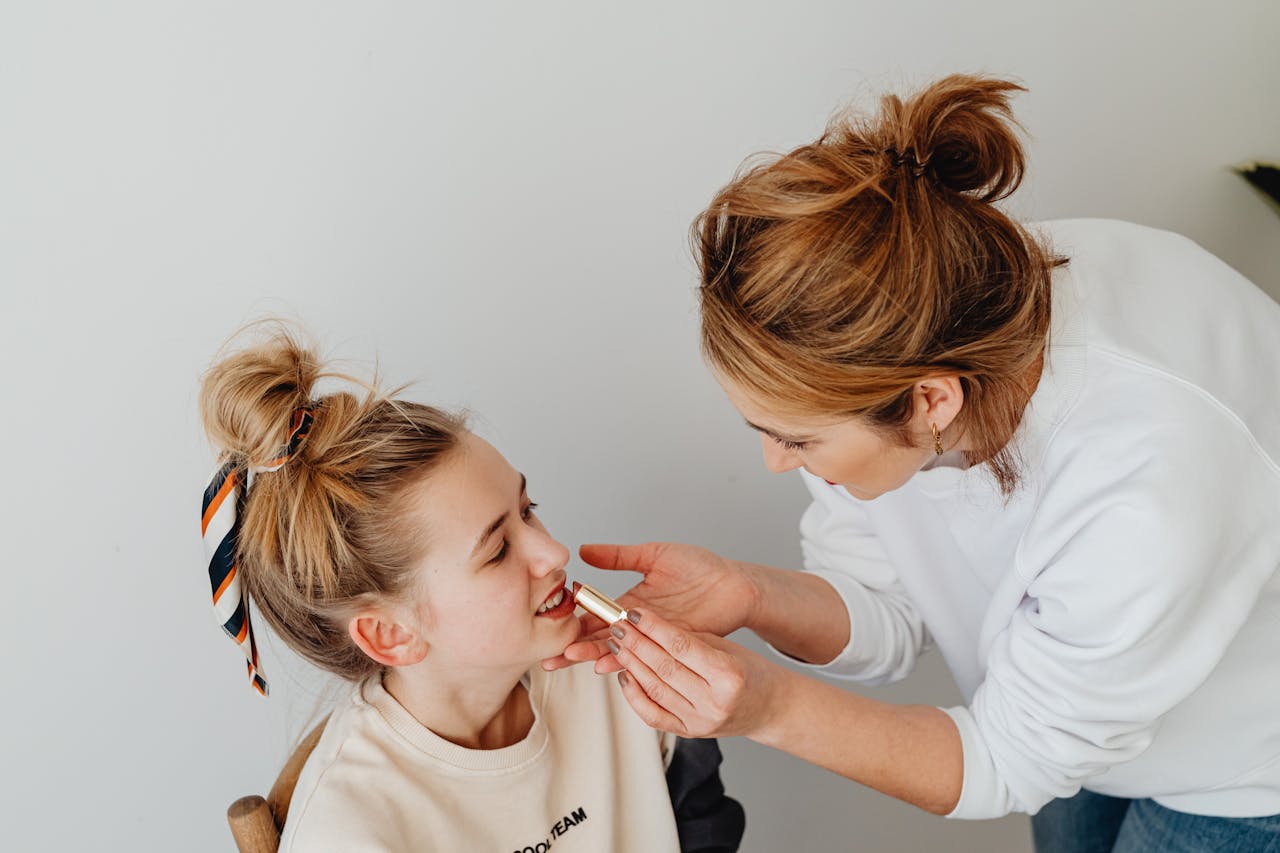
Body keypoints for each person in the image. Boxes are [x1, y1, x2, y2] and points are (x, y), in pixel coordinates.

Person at [547, 74, 1280, 852]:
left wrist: (766, 707)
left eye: (795, 440)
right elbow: (888, 612)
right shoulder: (901, 321)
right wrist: (751, 592)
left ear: (931, 402)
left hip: (1243, 760)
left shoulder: (1143, 482)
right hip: (1088, 719)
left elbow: (1008, 758)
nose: (773, 461)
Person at [198, 325, 744, 852]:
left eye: (528, 511)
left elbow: (704, 827)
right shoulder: (350, 831)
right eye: (498, 550)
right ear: (389, 634)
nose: (553, 553)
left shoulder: (617, 675)